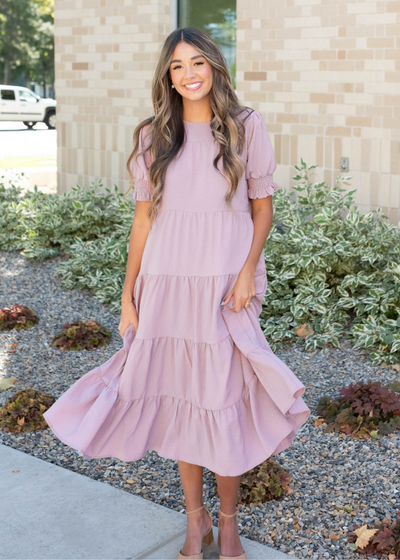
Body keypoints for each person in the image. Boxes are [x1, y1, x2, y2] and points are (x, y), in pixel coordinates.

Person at [43, 27, 310, 560]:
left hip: (222, 289)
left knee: (221, 401)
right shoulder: (152, 136)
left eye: (197, 63)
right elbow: (143, 221)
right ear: (167, 75)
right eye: (176, 66)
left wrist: (244, 273)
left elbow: (262, 208)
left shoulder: (245, 127)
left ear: (214, 66)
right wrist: (128, 294)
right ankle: (196, 524)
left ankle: (228, 526)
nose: (188, 74)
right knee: (183, 404)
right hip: (164, 285)